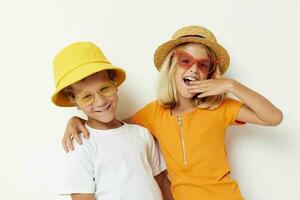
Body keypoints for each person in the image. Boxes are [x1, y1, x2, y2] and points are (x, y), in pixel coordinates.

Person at [61, 26, 283, 200]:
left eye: (203, 64)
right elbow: (113, 128)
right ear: (171, 67)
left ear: (210, 74)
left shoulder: (220, 108)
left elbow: (273, 117)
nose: (194, 69)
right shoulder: (153, 113)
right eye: (185, 61)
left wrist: (232, 86)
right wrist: (77, 120)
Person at [51, 42, 172, 200]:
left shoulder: (141, 133)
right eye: (87, 96)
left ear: (115, 84)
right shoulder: (81, 145)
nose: (100, 101)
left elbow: (161, 181)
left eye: (105, 88)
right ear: (75, 102)